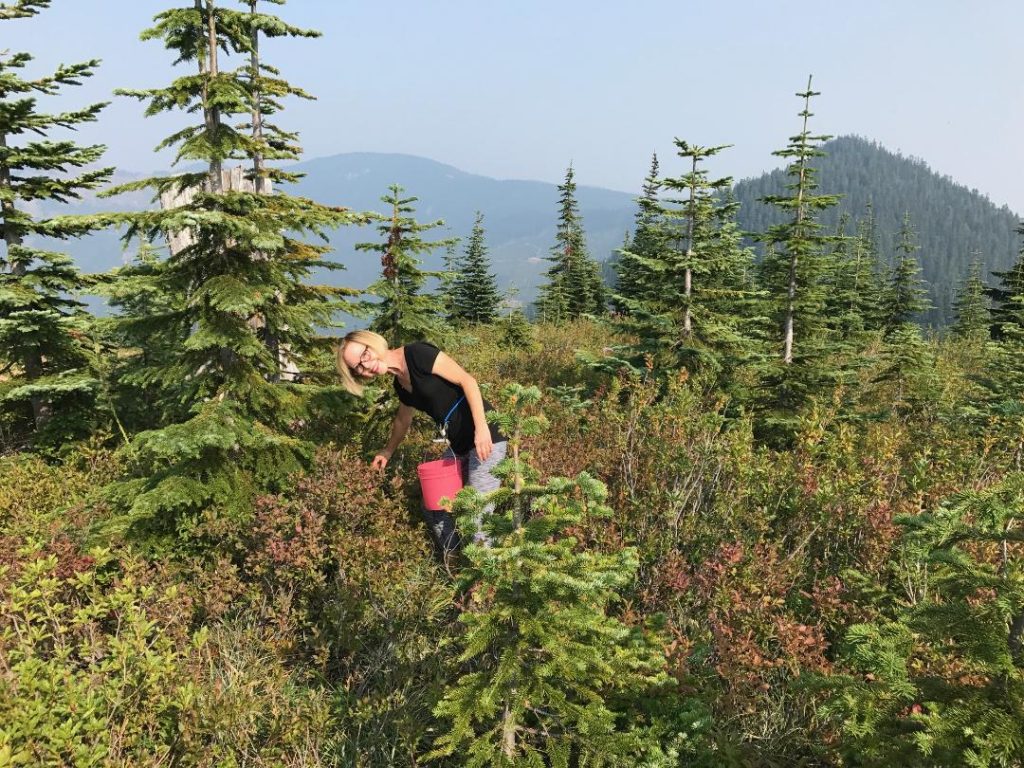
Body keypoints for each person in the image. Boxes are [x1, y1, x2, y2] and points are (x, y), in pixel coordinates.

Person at [336, 330, 506, 558]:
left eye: (364, 355)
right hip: (460, 445)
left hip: (487, 437)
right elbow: (403, 419)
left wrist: (482, 429)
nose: (365, 367)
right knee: (434, 505)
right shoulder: (400, 384)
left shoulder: (418, 354)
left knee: (477, 516)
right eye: (357, 367)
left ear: (372, 343)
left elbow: (468, 381)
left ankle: (488, 583)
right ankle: (455, 567)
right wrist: (387, 451)